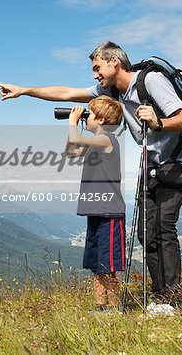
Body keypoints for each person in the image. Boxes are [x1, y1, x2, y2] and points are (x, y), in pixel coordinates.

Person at [0, 40, 182, 311]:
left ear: (114, 61)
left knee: (162, 228)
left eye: (97, 67)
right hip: (151, 165)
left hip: (178, 163)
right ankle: (160, 294)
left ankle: (169, 299)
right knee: (145, 233)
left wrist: (158, 121)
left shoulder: (151, 81)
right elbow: (67, 93)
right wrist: (24, 90)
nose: (94, 75)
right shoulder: (112, 90)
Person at [65, 96, 126, 311]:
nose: (86, 118)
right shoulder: (95, 145)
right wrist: (74, 128)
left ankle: (115, 308)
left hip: (109, 212)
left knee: (107, 265)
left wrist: (73, 123)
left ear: (100, 120)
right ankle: (100, 307)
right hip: (96, 210)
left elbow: (78, 140)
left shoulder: (107, 140)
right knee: (96, 264)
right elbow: (71, 151)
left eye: (89, 115)